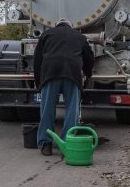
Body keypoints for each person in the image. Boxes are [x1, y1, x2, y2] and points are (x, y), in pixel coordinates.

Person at [33, 18, 94, 156]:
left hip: (50, 73)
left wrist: (39, 83)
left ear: (56, 25)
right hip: (72, 74)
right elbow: (89, 57)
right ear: (70, 25)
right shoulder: (79, 36)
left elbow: (37, 60)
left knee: (47, 109)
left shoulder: (47, 34)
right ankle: (68, 142)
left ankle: (46, 144)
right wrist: (88, 73)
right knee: (72, 110)